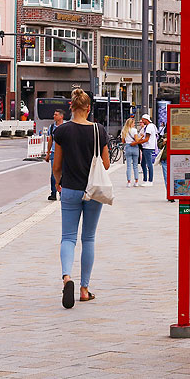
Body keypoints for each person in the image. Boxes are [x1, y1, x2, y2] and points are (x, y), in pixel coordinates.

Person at [52, 88, 109, 309]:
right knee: (89, 239)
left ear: (71, 107)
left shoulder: (62, 131)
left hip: (70, 189)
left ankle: (67, 278)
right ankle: (84, 290)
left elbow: (57, 166)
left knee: (68, 237)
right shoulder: (98, 130)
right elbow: (105, 164)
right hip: (93, 190)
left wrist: (58, 181)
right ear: (88, 108)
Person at [46, 109, 66, 200]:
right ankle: (53, 193)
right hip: (54, 152)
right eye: (54, 114)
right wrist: (48, 153)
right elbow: (50, 140)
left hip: (65, 153)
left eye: (56, 115)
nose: (54, 116)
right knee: (54, 173)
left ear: (61, 116)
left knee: (64, 173)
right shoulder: (52, 127)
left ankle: (62, 193)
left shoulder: (66, 126)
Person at [134, 114, 158, 186]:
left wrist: (137, 142)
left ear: (146, 119)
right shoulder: (150, 126)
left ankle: (150, 181)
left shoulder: (149, 127)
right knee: (143, 163)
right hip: (146, 147)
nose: (142, 121)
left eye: (143, 120)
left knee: (149, 164)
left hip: (148, 147)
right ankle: (145, 180)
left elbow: (147, 139)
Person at [121, 116, 140, 187]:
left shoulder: (124, 130)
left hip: (128, 147)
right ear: (131, 123)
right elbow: (137, 140)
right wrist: (141, 137)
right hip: (135, 147)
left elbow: (123, 141)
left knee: (128, 166)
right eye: (134, 123)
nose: (134, 124)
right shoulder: (134, 130)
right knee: (135, 166)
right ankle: (136, 182)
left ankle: (129, 182)